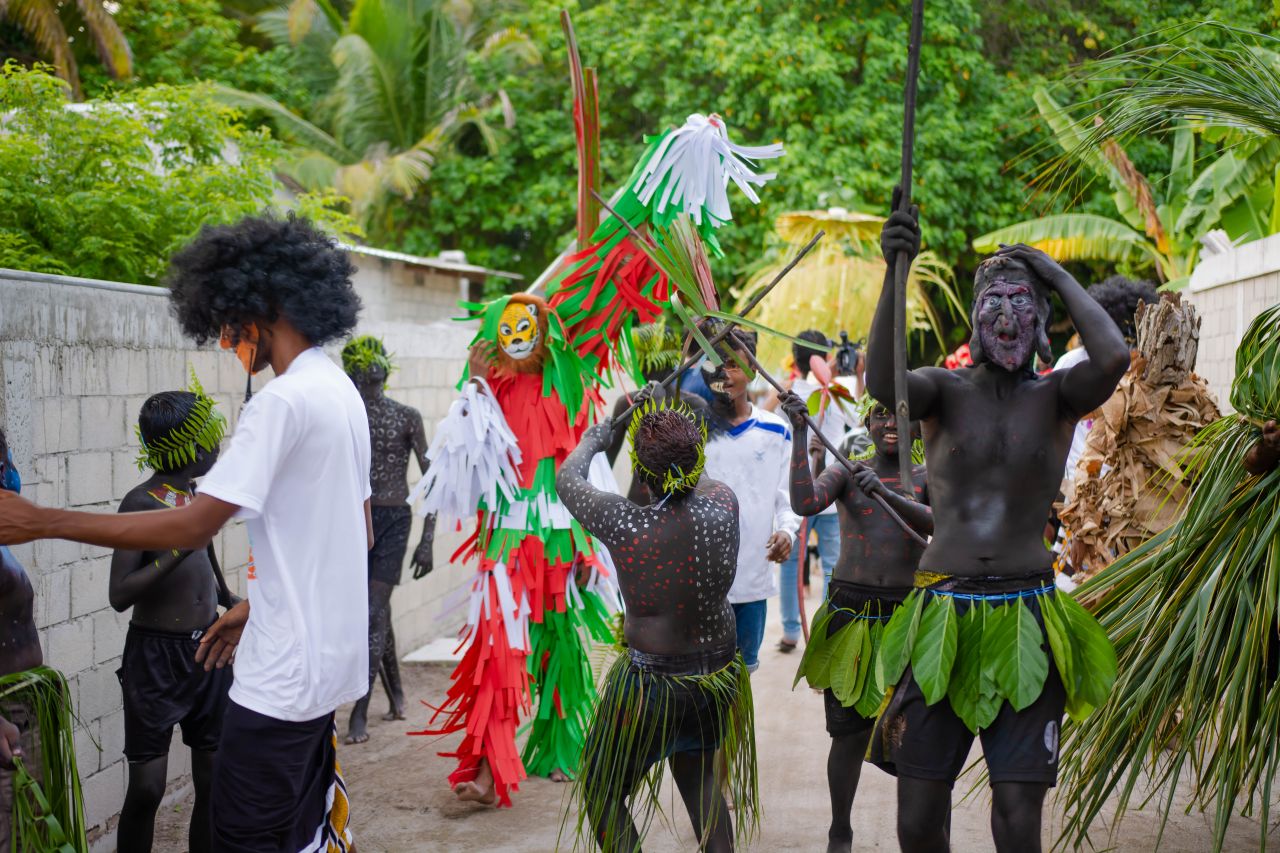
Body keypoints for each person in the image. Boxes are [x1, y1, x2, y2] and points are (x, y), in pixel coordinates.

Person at [0, 213, 369, 851]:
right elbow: (352, 534)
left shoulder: (280, 404)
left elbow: (198, 520)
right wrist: (256, 605)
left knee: (244, 838)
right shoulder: (339, 392)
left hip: (278, 684)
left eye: (228, 329)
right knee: (300, 836)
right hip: (325, 673)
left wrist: (42, 521)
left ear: (258, 308)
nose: (227, 344)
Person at [864, 198, 1128, 853]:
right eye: (993, 301)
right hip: (941, 615)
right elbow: (879, 378)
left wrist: (1056, 274)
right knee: (919, 819)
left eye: (1021, 300)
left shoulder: (1058, 399)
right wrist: (896, 269)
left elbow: (1116, 356)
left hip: (1028, 619)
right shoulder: (941, 393)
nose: (1006, 313)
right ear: (976, 321)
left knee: (1018, 818)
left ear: (1041, 318)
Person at [556, 396, 757, 852]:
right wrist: (674, 422)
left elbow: (567, 478)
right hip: (716, 677)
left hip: (652, 686)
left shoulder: (625, 522)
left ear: (642, 474)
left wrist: (599, 434)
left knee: (601, 786)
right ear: (697, 460)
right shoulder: (724, 501)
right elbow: (691, 470)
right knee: (700, 777)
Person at [778, 394, 932, 853]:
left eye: (901, 415)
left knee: (913, 734)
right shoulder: (846, 468)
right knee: (849, 733)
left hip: (907, 614)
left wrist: (886, 493)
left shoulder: (926, 477)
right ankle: (840, 827)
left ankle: (918, 830)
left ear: (920, 426)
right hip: (852, 611)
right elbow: (805, 502)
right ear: (866, 419)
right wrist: (802, 434)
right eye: (880, 413)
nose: (890, 423)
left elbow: (937, 522)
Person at [111, 384, 240, 853]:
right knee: (147, 788)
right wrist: (177, 546)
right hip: (155, 659)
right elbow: (119, 594)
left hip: (208, 649)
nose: (218, 447)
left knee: (212, 779)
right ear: (192, 447)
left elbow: (203, 551)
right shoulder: (140, 503)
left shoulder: (193, 495)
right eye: (211, 438)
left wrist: (226, 596)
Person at [341, 335, 436, 745]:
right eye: (361, 361)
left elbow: (432, 481)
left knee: (372, 611)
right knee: (376, 612)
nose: (370, 367)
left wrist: (427, 540)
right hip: (353, 521)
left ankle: (358, 711)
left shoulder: (407, 416)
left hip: (395, 519)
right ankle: (396, 695)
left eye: (376, 358)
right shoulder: (343, 415)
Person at [0, 431, 85, 850]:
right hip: (5, 718)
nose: (14, 471)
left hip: (25, 708)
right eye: (7, 462)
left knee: (31, 832)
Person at [700, 327, 800, 674]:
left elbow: (786, 499)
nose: (722, 372)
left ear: (753, 369)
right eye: (713, 362)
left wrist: (788, 533)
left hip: (751, 583)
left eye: (731, 363)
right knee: (699, 680)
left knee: (742, 676)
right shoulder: (692, 432)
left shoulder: (776, 431)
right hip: (700, 585)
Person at [774, 330, 859, 653]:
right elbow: (859, 417)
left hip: (797, 491)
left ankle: (791, 632)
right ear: (823, 358)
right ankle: (824, 631)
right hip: (829, 492)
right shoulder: (835, 391)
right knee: (832, 563)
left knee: (793, 562)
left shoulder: (790, 393)